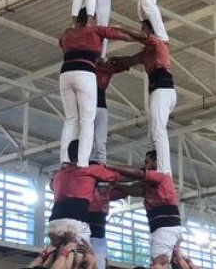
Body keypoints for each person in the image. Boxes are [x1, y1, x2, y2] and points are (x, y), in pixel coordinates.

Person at [60, 17, 144, 167]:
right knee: (87, 123)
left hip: (66, 73)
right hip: (85, 74)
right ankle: (83, 163)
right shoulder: (95, 31)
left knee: (71, 119)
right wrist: (143, 39)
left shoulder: (67, 34)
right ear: (89, 20)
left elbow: (62, 44)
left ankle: (65, 160)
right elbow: (121, 36)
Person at [108, 23, 175, 173]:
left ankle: (164, 170)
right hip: (159, 90)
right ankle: (157, 163)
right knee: (155, 132)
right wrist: (115, 59)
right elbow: (131, 60)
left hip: (162, 89)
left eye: (143, 28)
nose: (141, 31)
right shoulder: (146, 53)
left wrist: (122, 28)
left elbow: (141, 36)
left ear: (150, 31)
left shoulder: (158, 43)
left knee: (158, 131)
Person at [107, 151, 185, 266]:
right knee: (177, 266)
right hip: (170, 229)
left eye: (147, 162)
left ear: (155, 162)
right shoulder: (149, 186)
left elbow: (138, 173)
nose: (144, 165)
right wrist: (113, 183)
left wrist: (108, 167)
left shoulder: (162, 177)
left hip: (164, 230)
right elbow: (130, 188)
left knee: (158, 267)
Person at [50, 142, 122, 245]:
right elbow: (117, 177)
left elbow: (52, 186)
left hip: (54, 224)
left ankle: (48, 255)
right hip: (75, 224)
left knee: (57, 252)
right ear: (85, 152)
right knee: (85, 254)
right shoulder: (90, 170)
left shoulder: (59, 175)